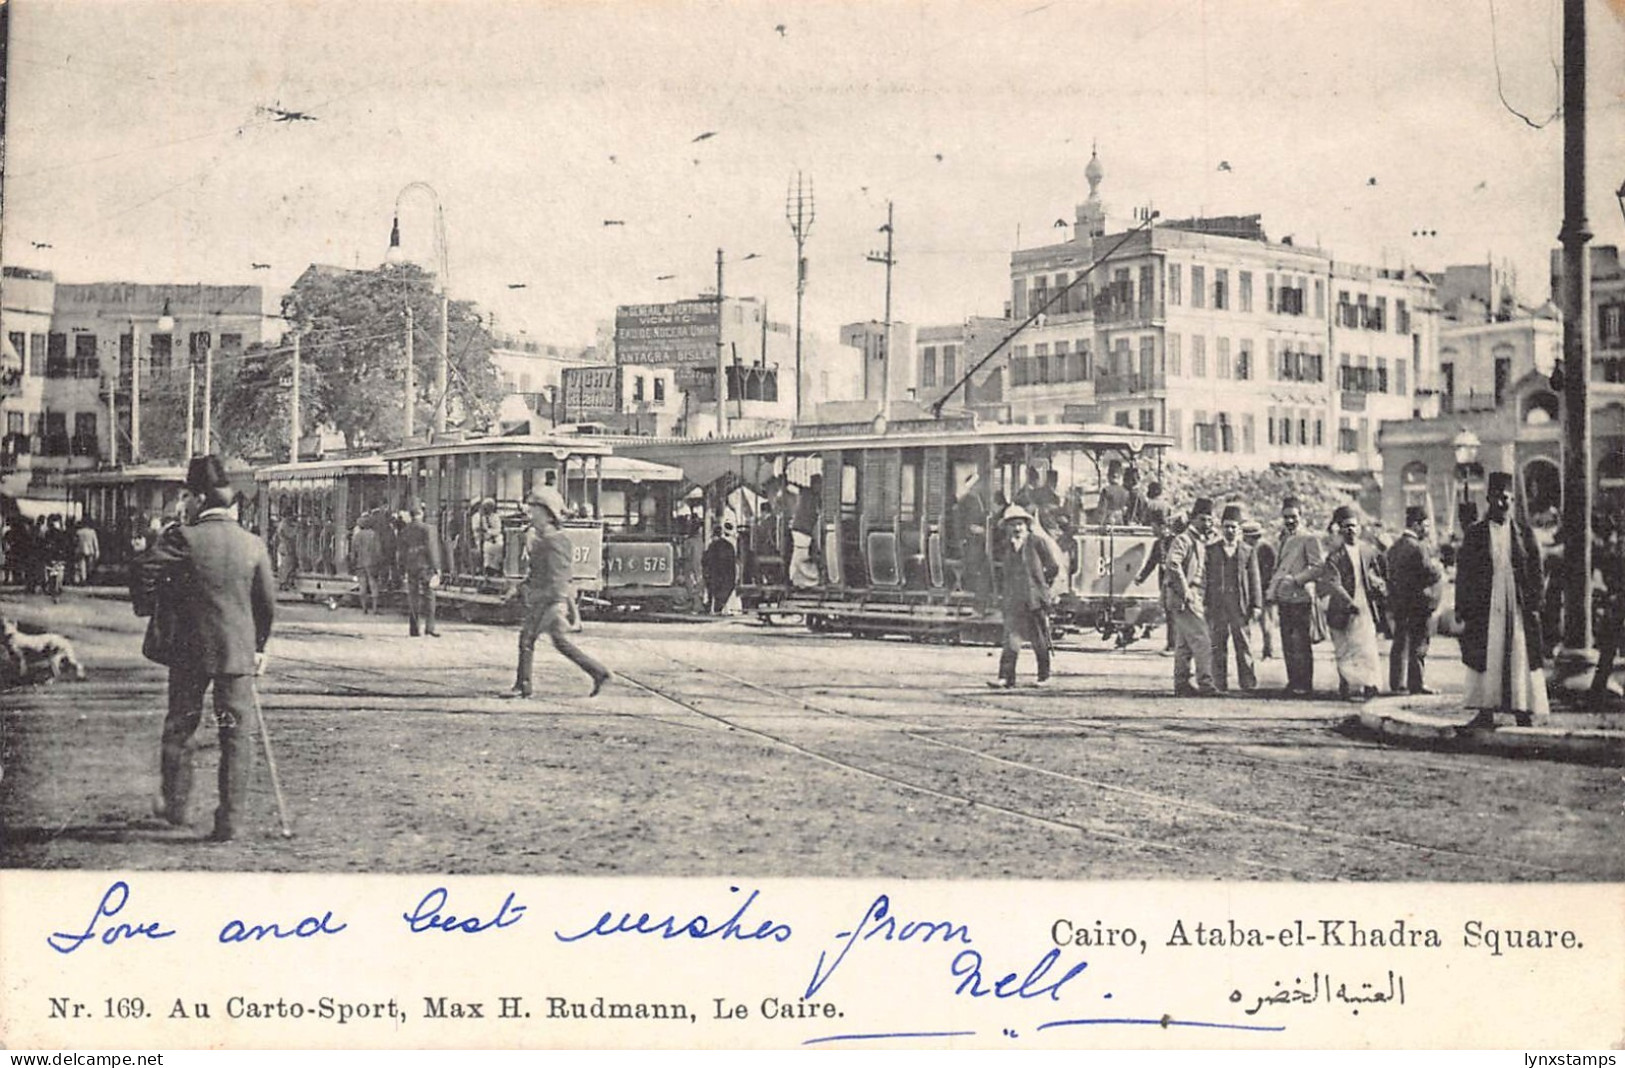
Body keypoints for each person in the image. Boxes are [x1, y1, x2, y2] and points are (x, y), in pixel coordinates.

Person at [137, 456, 275, 842]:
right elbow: (266, 605)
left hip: (188, 653)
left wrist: (158, 604)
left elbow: (143, 572)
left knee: (181, 726)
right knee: (235, 736)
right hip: (237, 656)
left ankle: (177, 807)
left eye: (187, 499)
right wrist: (258, 647)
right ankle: (229, 822)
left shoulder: (183, 536)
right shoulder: (253, 544)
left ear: (198, 499)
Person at [1457, 472, 1549, 727]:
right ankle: (1485, 710)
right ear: (1489, 499)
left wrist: (1534, 601)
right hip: (1486, 605)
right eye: (1498, 498)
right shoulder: (1476, 534)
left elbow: (1537, 571)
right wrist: (1463, 607)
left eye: (1508, 498)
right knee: (1488, 653)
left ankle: (1523, 710)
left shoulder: (1524, 534)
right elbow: (1465, 572)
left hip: (1517, 604)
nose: (1503, 503)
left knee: (1520, 652)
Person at [503, 487, 611, 698]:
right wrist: (519, 588)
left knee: (528, 638)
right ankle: (598, 672)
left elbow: (559, 577)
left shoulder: (555, 540)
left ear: (547, 512)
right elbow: (537, 572)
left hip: (551, 601)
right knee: (557, 641)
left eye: (534, 510)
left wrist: (556, 602)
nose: (530, 515)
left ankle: (522, 686)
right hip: (547, 599)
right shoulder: (544, 538)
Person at [1295, 504, 1385, 701]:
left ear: (1359, 528)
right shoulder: (1335, 556)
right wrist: (1348, 602)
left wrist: (1378, 586)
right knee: (1344, 647)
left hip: (1365, 605)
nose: (1350, 530)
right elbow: (1332, 582)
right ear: (1340, 529)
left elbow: (1377, 573)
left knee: (1366, 646)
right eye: (1346, 526)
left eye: (1353, 526)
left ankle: (1370, 685)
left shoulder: (1368, 551)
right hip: (1342, 606)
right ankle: (1347, 684)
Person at [988, 504, 1060, 689]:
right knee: (1011, 640)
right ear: (1007, 528)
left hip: (1035, 599)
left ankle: (1044, 676)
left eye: (1020, 524)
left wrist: (1043, 586)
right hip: (1014, 599)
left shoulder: (1037, 542)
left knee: (1039, 640)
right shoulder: (1005, 547)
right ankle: (1006, 678)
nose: (1017, 528)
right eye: (1013, 525)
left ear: (1027, 526)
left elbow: (1053, 567)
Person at [1267, 495, 1325, 695]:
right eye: (1286, 517)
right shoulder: (1282, 538)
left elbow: (1318, 568)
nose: (1290, 520)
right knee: (1287, 642)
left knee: (1301, 642)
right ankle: (1293, 682)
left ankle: (1304, 684)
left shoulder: (1309, 538)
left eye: (1293, 516)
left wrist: (1297, 580)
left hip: (1300, 596)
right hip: (1284, 597)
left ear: (1301, 515)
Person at [1385, 505, 1444, 694]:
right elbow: (1431, 573)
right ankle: (1416, 684)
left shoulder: (1394, 547)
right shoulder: (1418, 548)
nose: (1427, 530)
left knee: (1400, 642)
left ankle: (1397, 684)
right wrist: (1438, 568)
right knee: (1419, 645)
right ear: (1417, 525)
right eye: (1425, 525)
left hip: (1400, 603)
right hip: (1419, 604)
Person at [1204, 504, 1262, 691]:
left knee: (1243, 644)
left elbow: (1254, 579)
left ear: (1239, 529)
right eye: (1226, 526)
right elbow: (1207, 579)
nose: (1229, 530)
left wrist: (1256, 604)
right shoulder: (1212, 550)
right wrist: (1206, 603)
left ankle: (1248, 683)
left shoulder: (1247, 550)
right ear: (1221, 528)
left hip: (1240, 606)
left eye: (1233, 527)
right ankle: (1219, 683)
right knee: (1218, 645)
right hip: (1218, 605)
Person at [1164, 496, 1217, 696]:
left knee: (1184, 644)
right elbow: (1172, 564)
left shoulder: (1201, 540)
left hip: (1194, 594)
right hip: (1186, 595)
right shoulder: (1183, 539)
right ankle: (1206, 684)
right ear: (1193, 519)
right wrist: (1185, 590)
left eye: (1210, 520)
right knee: (1202, 639)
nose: (1207, 524)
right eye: (1203, 519)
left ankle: (1181, 683)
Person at [397, 500, 442, 637]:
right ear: (421, 513)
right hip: (425, 566)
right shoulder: (427, 529)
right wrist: (436, 567)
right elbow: (431, 549)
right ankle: (430, 628)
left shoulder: (405, 530)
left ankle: (414, 629)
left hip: (411, 566)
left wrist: (401, 568)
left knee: (413, 597)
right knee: (429, 596)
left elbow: (401, 552)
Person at [1241, 519, 1277, 659]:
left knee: (1266, 622)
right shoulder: (1244, 549)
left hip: (1264, 590)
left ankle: (1268, 650)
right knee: (1246, 623)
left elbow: (1273, 569)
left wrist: (1269, 590)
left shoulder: (1265, 548)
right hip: (1249, 591)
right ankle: (1249, 651)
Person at [953, 471, 991, 598]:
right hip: (970, 538)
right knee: (973, 560)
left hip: (980, 535)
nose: (981, 485)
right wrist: (965, 534)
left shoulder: (980, 499)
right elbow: (959, 521)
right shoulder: (965, 500)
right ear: (973, 486)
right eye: (979, 484)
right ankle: (971, 588)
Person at [789, 474, 823, 588]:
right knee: (801, 556)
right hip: (803, 529)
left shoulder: (807, 493)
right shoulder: (812, 496)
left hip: (801, 529)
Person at [349, 510, 383, 614]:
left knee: (362, 586)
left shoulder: (357, 536)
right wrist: (379, 561)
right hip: (372, 563)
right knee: (373, 585)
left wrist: (353, 562)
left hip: (360, 563)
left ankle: (364, 609)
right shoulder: (374, 535)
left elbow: (353, 552)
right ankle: (375, 609)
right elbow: (378, 550)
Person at [702, 521, 739, 614]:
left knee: (714, 591)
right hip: (727, 574)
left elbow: (706, 560)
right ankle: (723, 608)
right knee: (724, 592)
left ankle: (714, 608)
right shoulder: (729, 545)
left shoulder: (712, 546)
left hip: (715, 574)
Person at [74, 519, 101, 586]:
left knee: (82, 565)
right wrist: (97, 551)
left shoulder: (78, 532)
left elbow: (75, 542)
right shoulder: (92, 532)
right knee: (89, 566)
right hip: (90, 550)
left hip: (80, 550)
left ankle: (83, 579)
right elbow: (95, 542)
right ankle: (89, 579)